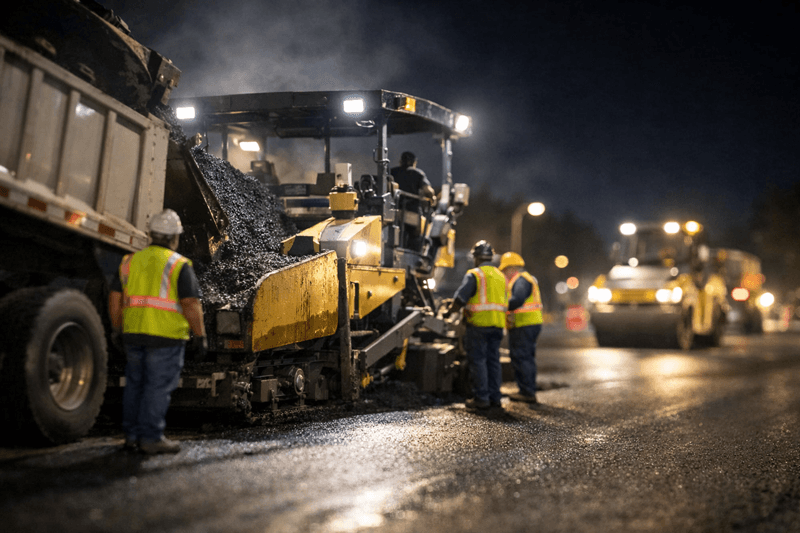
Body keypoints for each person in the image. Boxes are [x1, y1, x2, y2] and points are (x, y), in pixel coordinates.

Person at [108, 209, 207, 454]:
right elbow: (190, 304)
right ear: (175, 238)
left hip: (133, 334)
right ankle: (151, 437)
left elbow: (115, 299)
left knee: (135, 385)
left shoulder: (130, 261)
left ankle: (131, 436)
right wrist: (201, 335)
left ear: (151, 234)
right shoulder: (178, 264)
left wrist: (117, 329)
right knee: (157, 387)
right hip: (166, 337)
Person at [447, 240, 507, 410]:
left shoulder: (475, 274)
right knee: (493, 361)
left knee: (478, 360)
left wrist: (450, 311)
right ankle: (495, 398)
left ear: (476, 258)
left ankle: (481, 398)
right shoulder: (500, 275)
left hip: (479, 325)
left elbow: (460, 299)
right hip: (497, 324)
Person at [499, 251, 543, 403]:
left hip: (525, 324)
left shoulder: (521, 280)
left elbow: (517, 300)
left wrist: (501, 306)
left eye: (505, 270)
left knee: (521, 357)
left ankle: (527, 392)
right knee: (526, 357)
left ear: (512, 268)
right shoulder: (524, 279)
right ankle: (527, 389)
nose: (504, 274)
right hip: (529, 323)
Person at [390, 152, 436, 249]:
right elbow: (428, 191)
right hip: (412, 213)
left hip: (393, 212)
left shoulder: (392, 172)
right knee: (415, 236)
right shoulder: (418, 174)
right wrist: (432, 198)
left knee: (394, 236)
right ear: (414, 162)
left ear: (400, 162)